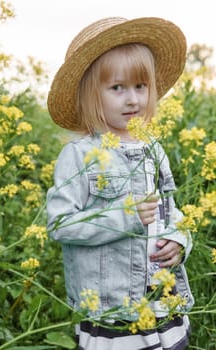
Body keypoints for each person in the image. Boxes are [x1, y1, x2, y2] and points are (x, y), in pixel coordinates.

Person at [47, 17, 194, 350]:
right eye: (118, 88)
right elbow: (59, 224)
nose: (133, 100)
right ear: (90, 95)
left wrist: (179, 240)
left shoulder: (154, 148)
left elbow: (172, 211)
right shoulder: (79, 154)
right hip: (113, 307)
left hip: (161, 298)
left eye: (140, 87)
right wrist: (125, 216)